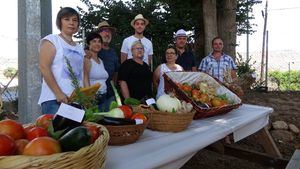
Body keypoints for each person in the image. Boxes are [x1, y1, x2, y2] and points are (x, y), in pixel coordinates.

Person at [38, 7, 85, 114]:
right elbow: (44, 67)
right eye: (67, 19)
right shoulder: (52, 40)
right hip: (54, 99)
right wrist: (58, 93)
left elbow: (80, 75)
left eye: (75, 20)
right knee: (56, 131)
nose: (71, 23)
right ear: (60, 22)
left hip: (75, 100)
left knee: (76, 131)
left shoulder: (79, 47)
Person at [83, 32, 109, 111]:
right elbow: (85, 78)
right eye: (94, 41)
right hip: (93, 97)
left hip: (103, 95)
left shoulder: (101, 61)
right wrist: (89, 96)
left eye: (99, 41)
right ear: (88, 44)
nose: (97, 44)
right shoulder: (87, 59)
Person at [97, 21, 119, 106]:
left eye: (109, 32)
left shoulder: (113, 52)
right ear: (98, 34)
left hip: (110, 92)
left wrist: (114, 88)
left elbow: (116, 71)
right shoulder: (91, 50)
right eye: (104, 31)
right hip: (95, 91)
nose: (107, 34)